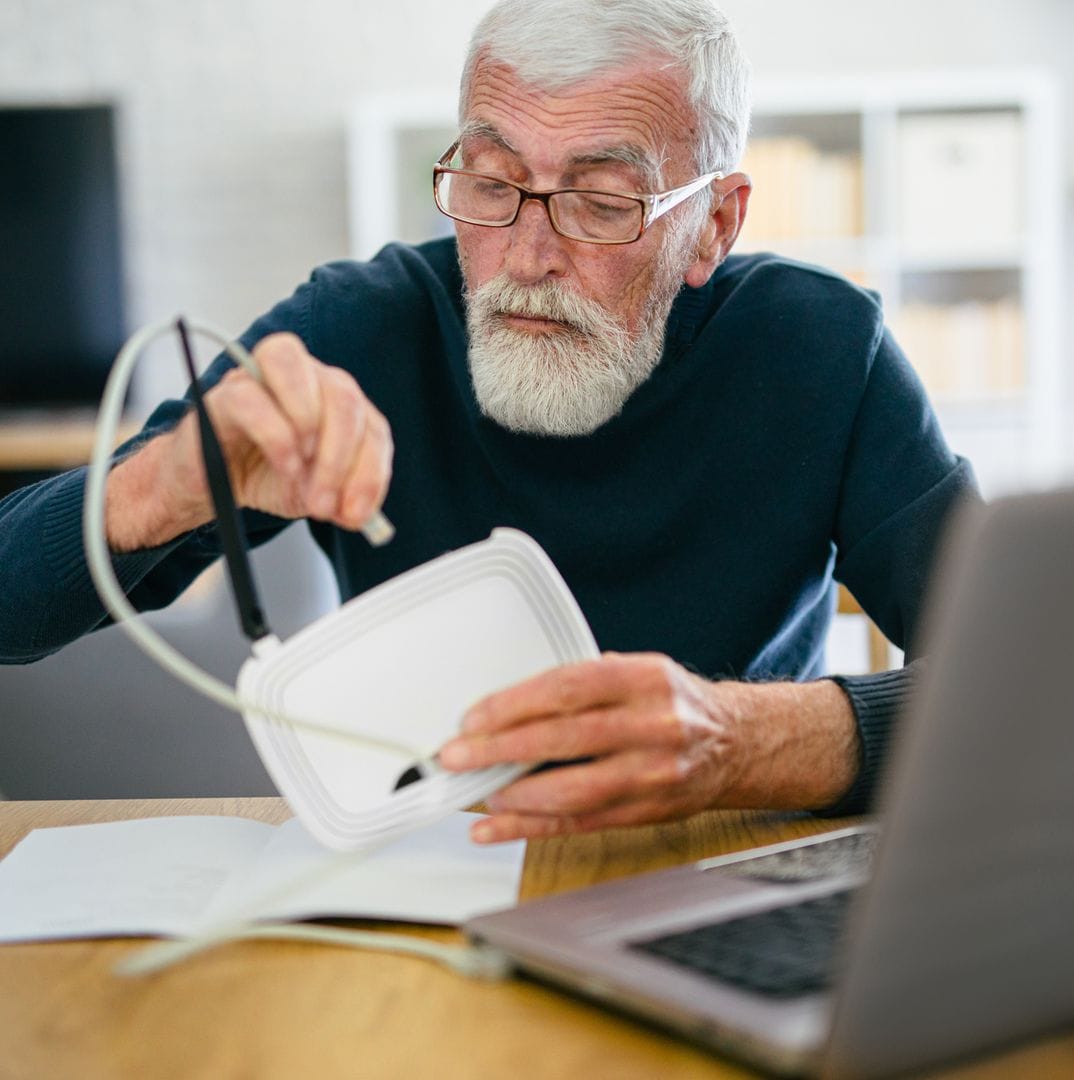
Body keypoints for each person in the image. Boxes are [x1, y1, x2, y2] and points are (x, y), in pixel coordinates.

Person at [0, 0, 976, 843]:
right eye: (490, 183)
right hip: (425, 874)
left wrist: (744, 742)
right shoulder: (360, 327)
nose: (526, 254)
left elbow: (1036, 681)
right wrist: (149, 489)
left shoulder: (819, 349)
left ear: (714, 224)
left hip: (723, 869)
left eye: (600, 202)